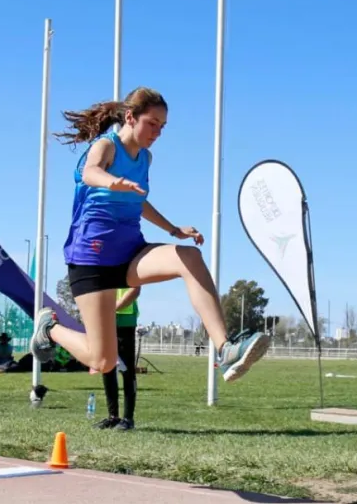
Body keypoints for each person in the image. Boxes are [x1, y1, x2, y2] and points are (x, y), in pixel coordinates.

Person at [29, 86, 269, 384]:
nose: (158, 132)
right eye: (152, 123)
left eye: (162, 126)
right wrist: (113, 181)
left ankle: (225, 349)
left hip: (130, 252)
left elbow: (139, 201)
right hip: (91, 257)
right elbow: (91, 172)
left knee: (189, 257)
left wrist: (173, 229)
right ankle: (50, 328)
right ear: (130, 117)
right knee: (103, 360)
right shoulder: (106, 146)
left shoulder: (146, 158)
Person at [95, 287, 141, 431]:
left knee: (127, 370)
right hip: (106, 316)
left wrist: (113, 307)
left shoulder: (129, 269)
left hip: (125, 318)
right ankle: (113, 417)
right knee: (107, 367)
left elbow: (135, 289)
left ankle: (128, 419)